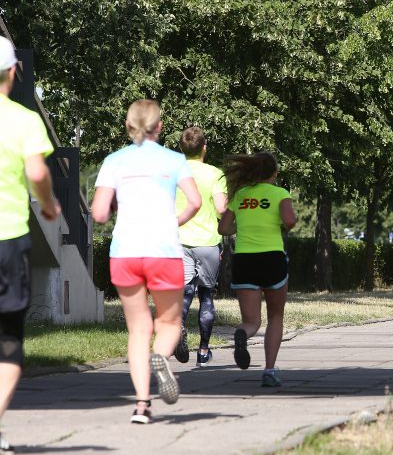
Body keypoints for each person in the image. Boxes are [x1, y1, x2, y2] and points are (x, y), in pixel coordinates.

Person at [92, 99, 201, 424]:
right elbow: (194, 202)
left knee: (138, 329)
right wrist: (174, 221)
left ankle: (141, 405)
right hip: (163, 250)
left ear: (128, 127)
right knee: (168, 324)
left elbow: (98, 213)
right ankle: (161, 358)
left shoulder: (114, 161)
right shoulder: (175, 160)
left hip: (125, 252)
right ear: (160, 127)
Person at [0, 37, 61, 452]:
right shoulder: (23, 120)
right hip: (7, 239)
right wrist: (50, 204)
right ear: (14, 71)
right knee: (8, 340)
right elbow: (38, 173)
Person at [218, 152, 297, 387]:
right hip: (272, 258)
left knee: (251, 321)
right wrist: (282, 224)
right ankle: (270, 370)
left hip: (244, 259)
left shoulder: (241, 194)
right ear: (274, 173)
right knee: (275, 316)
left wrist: (243, 224)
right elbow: (290, 221)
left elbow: (223, 228)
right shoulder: (280, 194)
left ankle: (242, 333)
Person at [174, 126, 228, 367]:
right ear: (204, 146)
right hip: (208, 242)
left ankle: (178, 330)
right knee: (206, 295)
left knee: (184, 292)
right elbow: (221, 209)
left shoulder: (172, 174)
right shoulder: (215, 175)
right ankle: (204, 350)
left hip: (179, 240)